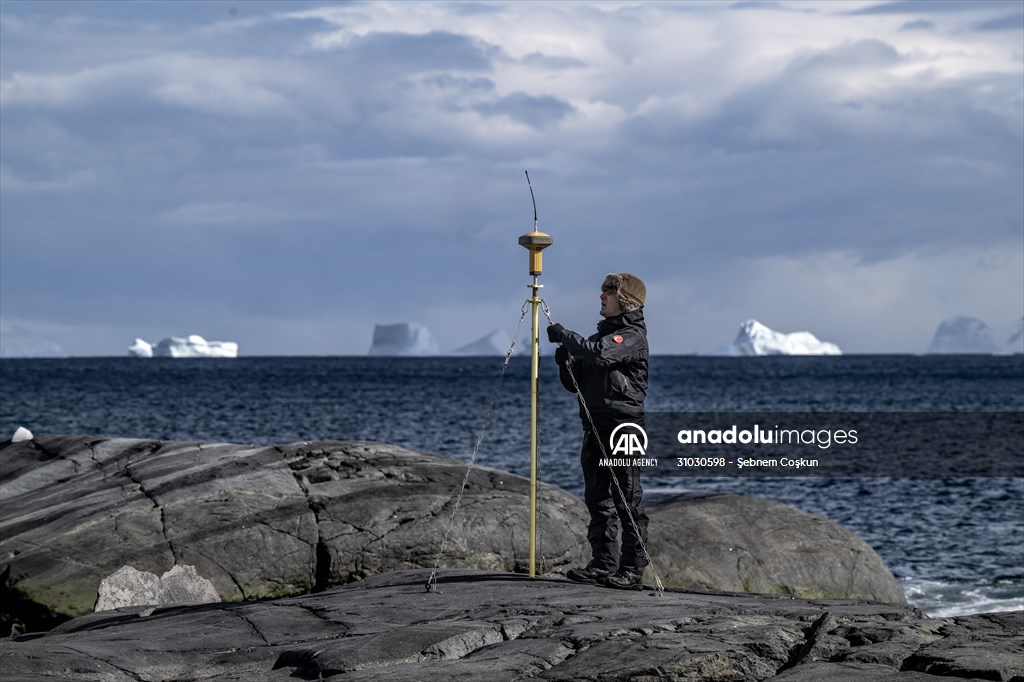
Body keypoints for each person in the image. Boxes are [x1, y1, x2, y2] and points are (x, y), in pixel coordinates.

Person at [546, 273, 650, 590]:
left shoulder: (631, 336)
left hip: (623, 426)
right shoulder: (599, 338)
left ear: (625, 300)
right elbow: (573, 385)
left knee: (627, 499)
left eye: (609, 292)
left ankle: (632, 570)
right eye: (604, 290)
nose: (602, 296)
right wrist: (565, 363)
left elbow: (601, 354)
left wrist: (565, 336)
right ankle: (603, 563)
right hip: (594, 424)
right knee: (597, 498)